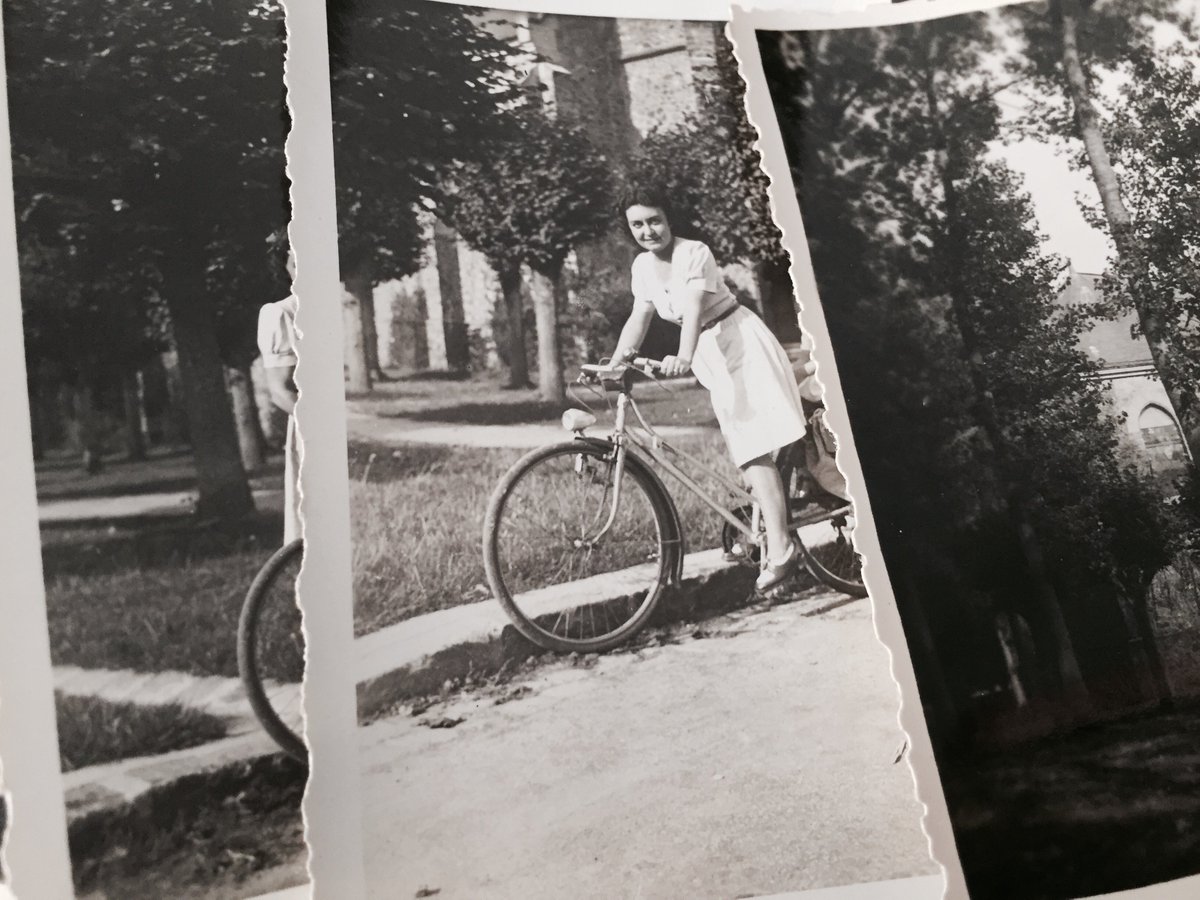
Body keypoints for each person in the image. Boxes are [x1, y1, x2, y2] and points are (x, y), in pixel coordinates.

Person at [611, 183, 809, 593]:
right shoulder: (642, 267)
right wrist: (615, 360)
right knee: (745, 451)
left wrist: (682, 356)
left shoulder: (694, 253)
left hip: (737, 342)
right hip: (710, 355)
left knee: (753, 447)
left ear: (669, 220)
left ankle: (784, 548)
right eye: (637, 225)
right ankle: (775, 532)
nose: (648, 231)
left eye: (654, 221)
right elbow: (639, 316)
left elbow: (694, 311)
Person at [257, 251, 301, 544]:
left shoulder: (335, 309)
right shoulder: (281, 313)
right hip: (314, 432)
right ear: (287, 266)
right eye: (297, 261)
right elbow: (280, 390)